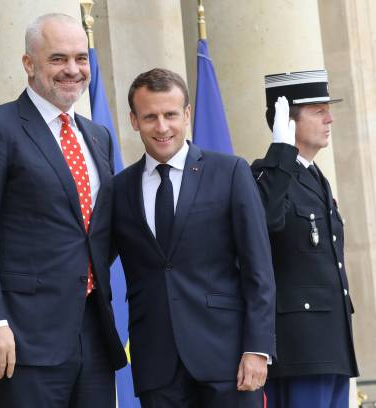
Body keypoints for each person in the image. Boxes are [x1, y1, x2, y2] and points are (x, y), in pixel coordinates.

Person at [0, 13, 127, 408]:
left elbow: (97, 232)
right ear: (29, 64)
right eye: (58, 59)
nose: (73, 70)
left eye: (81, 58)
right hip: (22, 337)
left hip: (93, 333)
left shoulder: (97, 135)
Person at [112, 68, 275, 407]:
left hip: (229, 359)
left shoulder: (230, 172)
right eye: (150, 117)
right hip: (157, 365)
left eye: (171, 115)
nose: (162, 127)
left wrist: (258, 348)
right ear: (134, 120)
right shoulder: (119, 188)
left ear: (187, 114)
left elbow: (258, 267)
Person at [251, 69, 359, 408]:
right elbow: (265, 222)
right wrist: (280, 152)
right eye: (318, 111)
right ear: (288, 121)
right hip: (300, 349)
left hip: (330, 344)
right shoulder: (269, 175)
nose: (329, 119)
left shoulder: (314, 176)